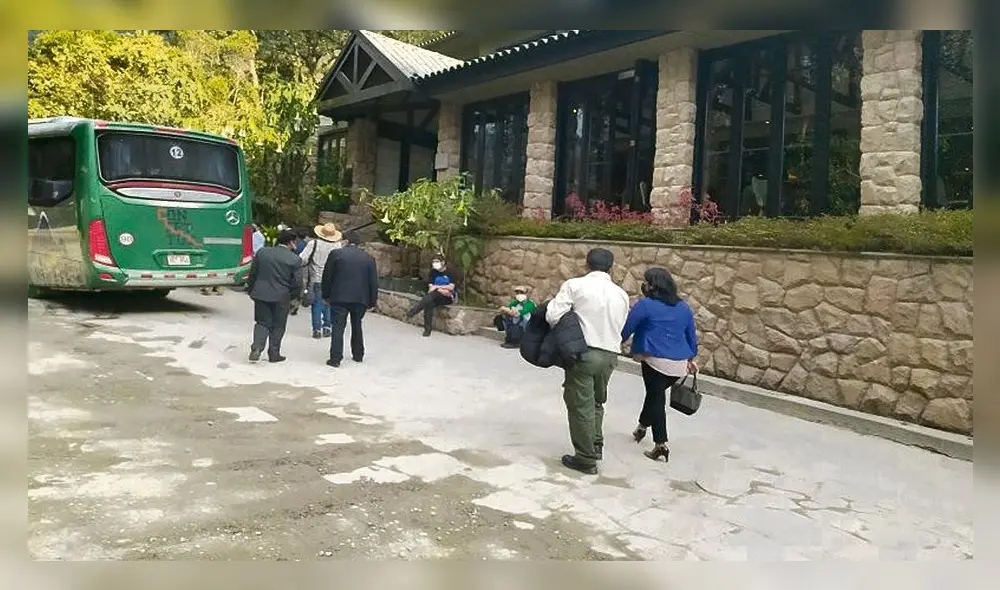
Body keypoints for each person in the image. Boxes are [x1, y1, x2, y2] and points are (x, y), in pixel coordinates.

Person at [546, 248, 630, 475]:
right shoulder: (621, 294)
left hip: (584, 352)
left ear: (586, 264)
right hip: (610, 354)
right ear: (611, 268)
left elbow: (553, 315)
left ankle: (585, 458)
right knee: (597, 401)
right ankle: (596, 445)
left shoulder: (575, 285)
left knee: (580, 403)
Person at [621, 268, 699, 463]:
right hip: (679, 364)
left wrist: (615, 341)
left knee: (657, 399)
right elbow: (691, 336)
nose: (643, 285)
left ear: (652, 286)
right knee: (654, 394)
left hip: (654, 359)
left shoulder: (645, 305)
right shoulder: (683, 307)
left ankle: (660, 444)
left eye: (646, 282)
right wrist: (691, 358)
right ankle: (641, 427)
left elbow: (627, 328)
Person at [320, 231, 378, 368]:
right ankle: (358, 354)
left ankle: (335, 358)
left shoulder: (336, 254)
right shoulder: (368, 258)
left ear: (345, 241)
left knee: (338, 327)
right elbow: (373, 282)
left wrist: (326, 295)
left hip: (339, 297)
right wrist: (372, 301)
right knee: (357, 325)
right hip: (360, 298)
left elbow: (327, 276)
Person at [246, 229, 303, 363]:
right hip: (282, 296)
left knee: (262, 322)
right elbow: (298, 282)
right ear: (291, 242)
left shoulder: (263, 252)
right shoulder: (294, 259)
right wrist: (292, 296)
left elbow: (253, 273)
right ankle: (274, 353)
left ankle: (257, 347)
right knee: (278, 325)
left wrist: (251, 289)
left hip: (260, 293)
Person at [301, 223, 343, 338]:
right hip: (332, 280)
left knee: (317, 304)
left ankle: (317, 329)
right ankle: (327, 326)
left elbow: (303, 259)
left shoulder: (313, 244)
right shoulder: (338, 246)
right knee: (328, 304)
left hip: (317, 278)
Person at [405, 255, 456, 337]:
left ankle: (413, 311)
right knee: (429, 303)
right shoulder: (433, 272)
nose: (434, 264)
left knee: (430, 297)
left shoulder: (450, 272)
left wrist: (437, 287)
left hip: (447, 296)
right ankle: (427, 330)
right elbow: (430, 288)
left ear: (442, 262)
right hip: (436, 294)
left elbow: (451, 287)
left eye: (437, 262)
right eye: (433, 262)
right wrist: (439, 289)